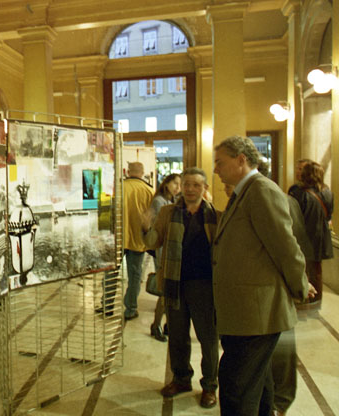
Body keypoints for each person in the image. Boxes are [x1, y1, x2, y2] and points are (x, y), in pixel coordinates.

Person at [212, 135, 311, 416]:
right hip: (246, 312)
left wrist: (300, 287)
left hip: (257, 314)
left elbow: (285, 248)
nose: (216, 169)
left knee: (236, 388)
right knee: (258, 385)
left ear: (241, 160)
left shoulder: (261, 191)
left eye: (220, 162)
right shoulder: (244, 192)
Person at [143, 168, 219, 409]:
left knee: (208, 338)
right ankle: (181, 379)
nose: (190, 189)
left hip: (205, 286)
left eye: (196, 185)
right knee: (177, 336)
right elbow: (153, 241)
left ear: (205, 188)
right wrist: (146, 227)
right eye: (186, 184)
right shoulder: (168, 212)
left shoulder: (215, 216)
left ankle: (209, 385)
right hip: (175, 283)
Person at [288, 161, 334, 306]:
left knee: (301, 268)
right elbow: (329, 214)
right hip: (321, 237)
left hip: (303, 235)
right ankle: (316, 301)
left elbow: (293, 214)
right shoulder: (327, 192)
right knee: (317, 271)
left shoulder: (298, 192)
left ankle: (302, 299)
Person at [145, 173, 181, 342]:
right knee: (165, 290)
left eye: (179, 185)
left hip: (171, 250)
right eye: (175, 184)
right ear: (166, 184)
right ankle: (157, 325)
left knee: (170, 290)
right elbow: (160, 227)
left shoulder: (171, 200)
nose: (177, 188)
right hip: (162, 250)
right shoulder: (160, 202)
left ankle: (166, 324)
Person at [121, 161, 154, 320]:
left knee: (110, 272)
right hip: (138, 239)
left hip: (118, 238)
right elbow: (152, 217)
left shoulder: (118, 187)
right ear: (142, 173)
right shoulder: (149, 191)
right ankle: (131, 308)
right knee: (134, 275)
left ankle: (106, 304)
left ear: (128, 172)